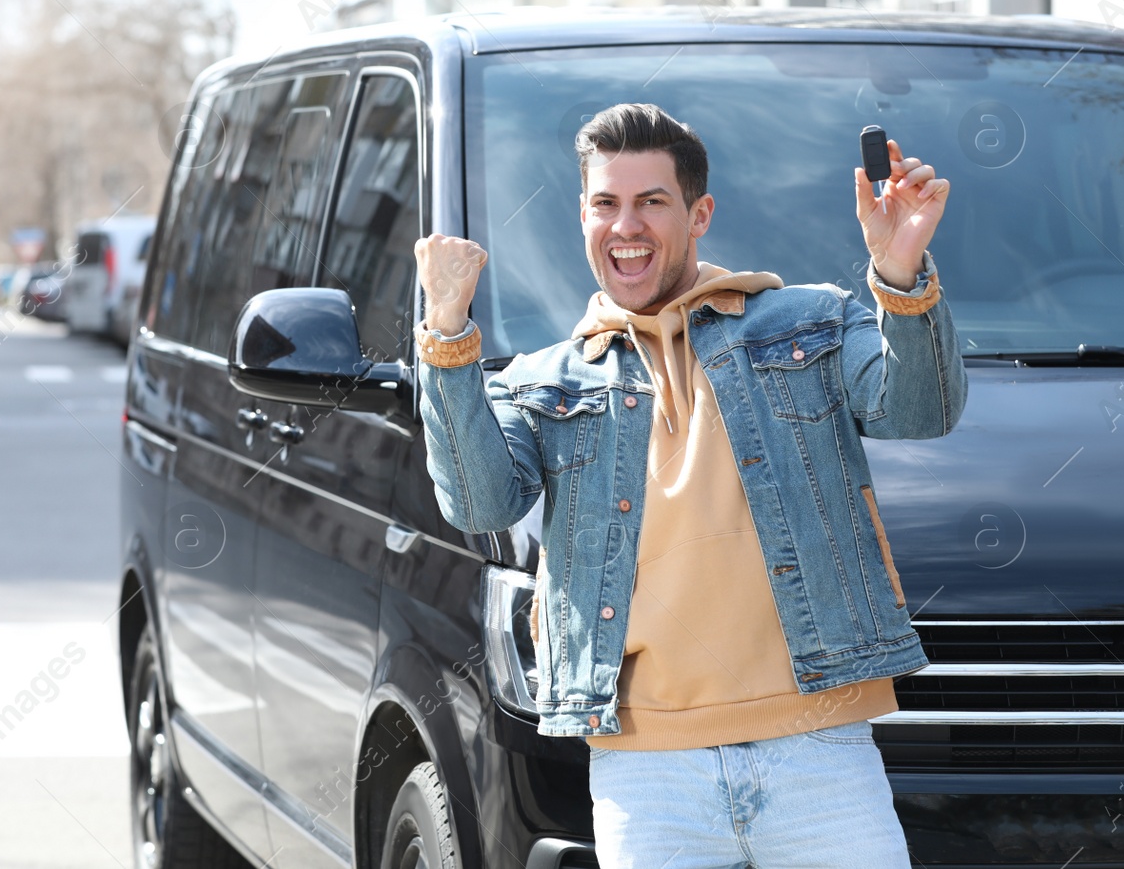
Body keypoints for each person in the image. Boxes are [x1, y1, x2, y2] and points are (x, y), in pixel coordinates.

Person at [412, 103, 966, 868]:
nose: (625, 225)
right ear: (583, 216)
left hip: (819, 746)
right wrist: (445, 332)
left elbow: (920, 410)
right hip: (648, 773)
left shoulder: (804, 324)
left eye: (652, 201)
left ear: (700, 213)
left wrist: (900, 274)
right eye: (606, 203)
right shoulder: (542, 382)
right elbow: (478, 504)